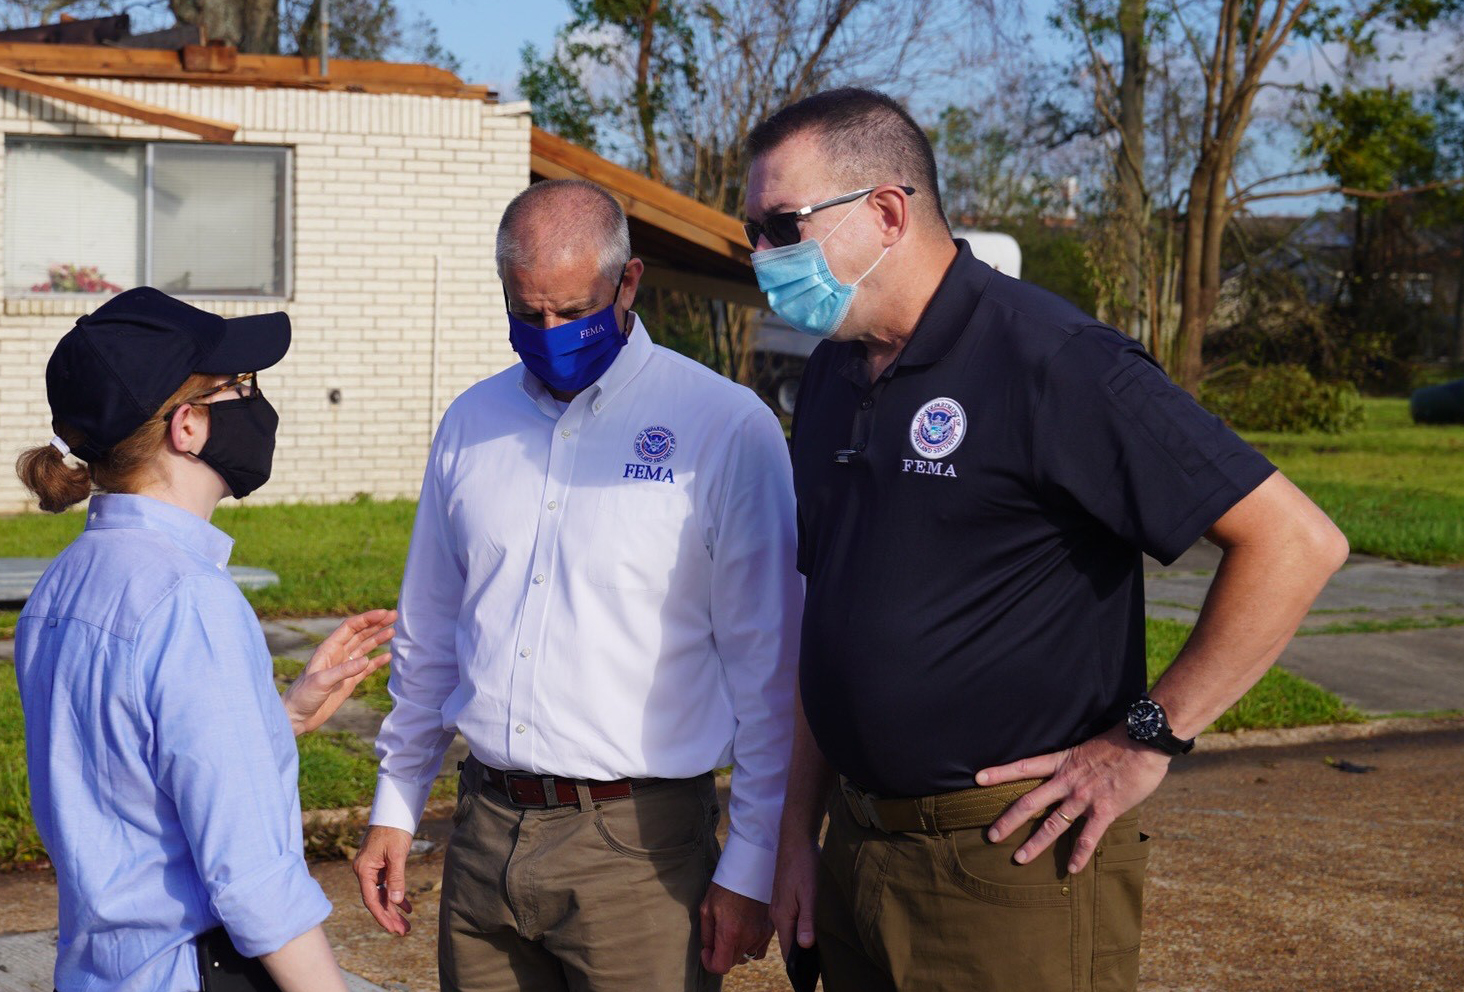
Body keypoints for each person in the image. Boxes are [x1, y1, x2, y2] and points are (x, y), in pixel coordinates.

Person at [745, 88, 1350, 992]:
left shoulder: (1055, 359)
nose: (762, 255)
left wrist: (1145, 739)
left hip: (1006, 869)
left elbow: (1295, 543)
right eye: (752, 230)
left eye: (781, 225)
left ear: (885, 211)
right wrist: (797, 835)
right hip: (860, 856)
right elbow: (826, 617)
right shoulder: (832, 371)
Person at [351, 179, 802, 992]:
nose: (550, 333)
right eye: (528, 314)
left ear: (628, 284)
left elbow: (770, 677)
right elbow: (431, 633)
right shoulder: (472, 423)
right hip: (484, 829)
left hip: (640, 851)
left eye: (573, 311)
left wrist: (752, 862)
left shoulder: (725, 430)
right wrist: (395, 803)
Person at [13, 287, 397, 992]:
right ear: (187, 426)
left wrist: (276, 719)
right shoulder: (189, 599)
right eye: (238, 386)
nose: (254, 401)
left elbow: (125, 780)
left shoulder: (61, 585)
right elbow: (254, 882)